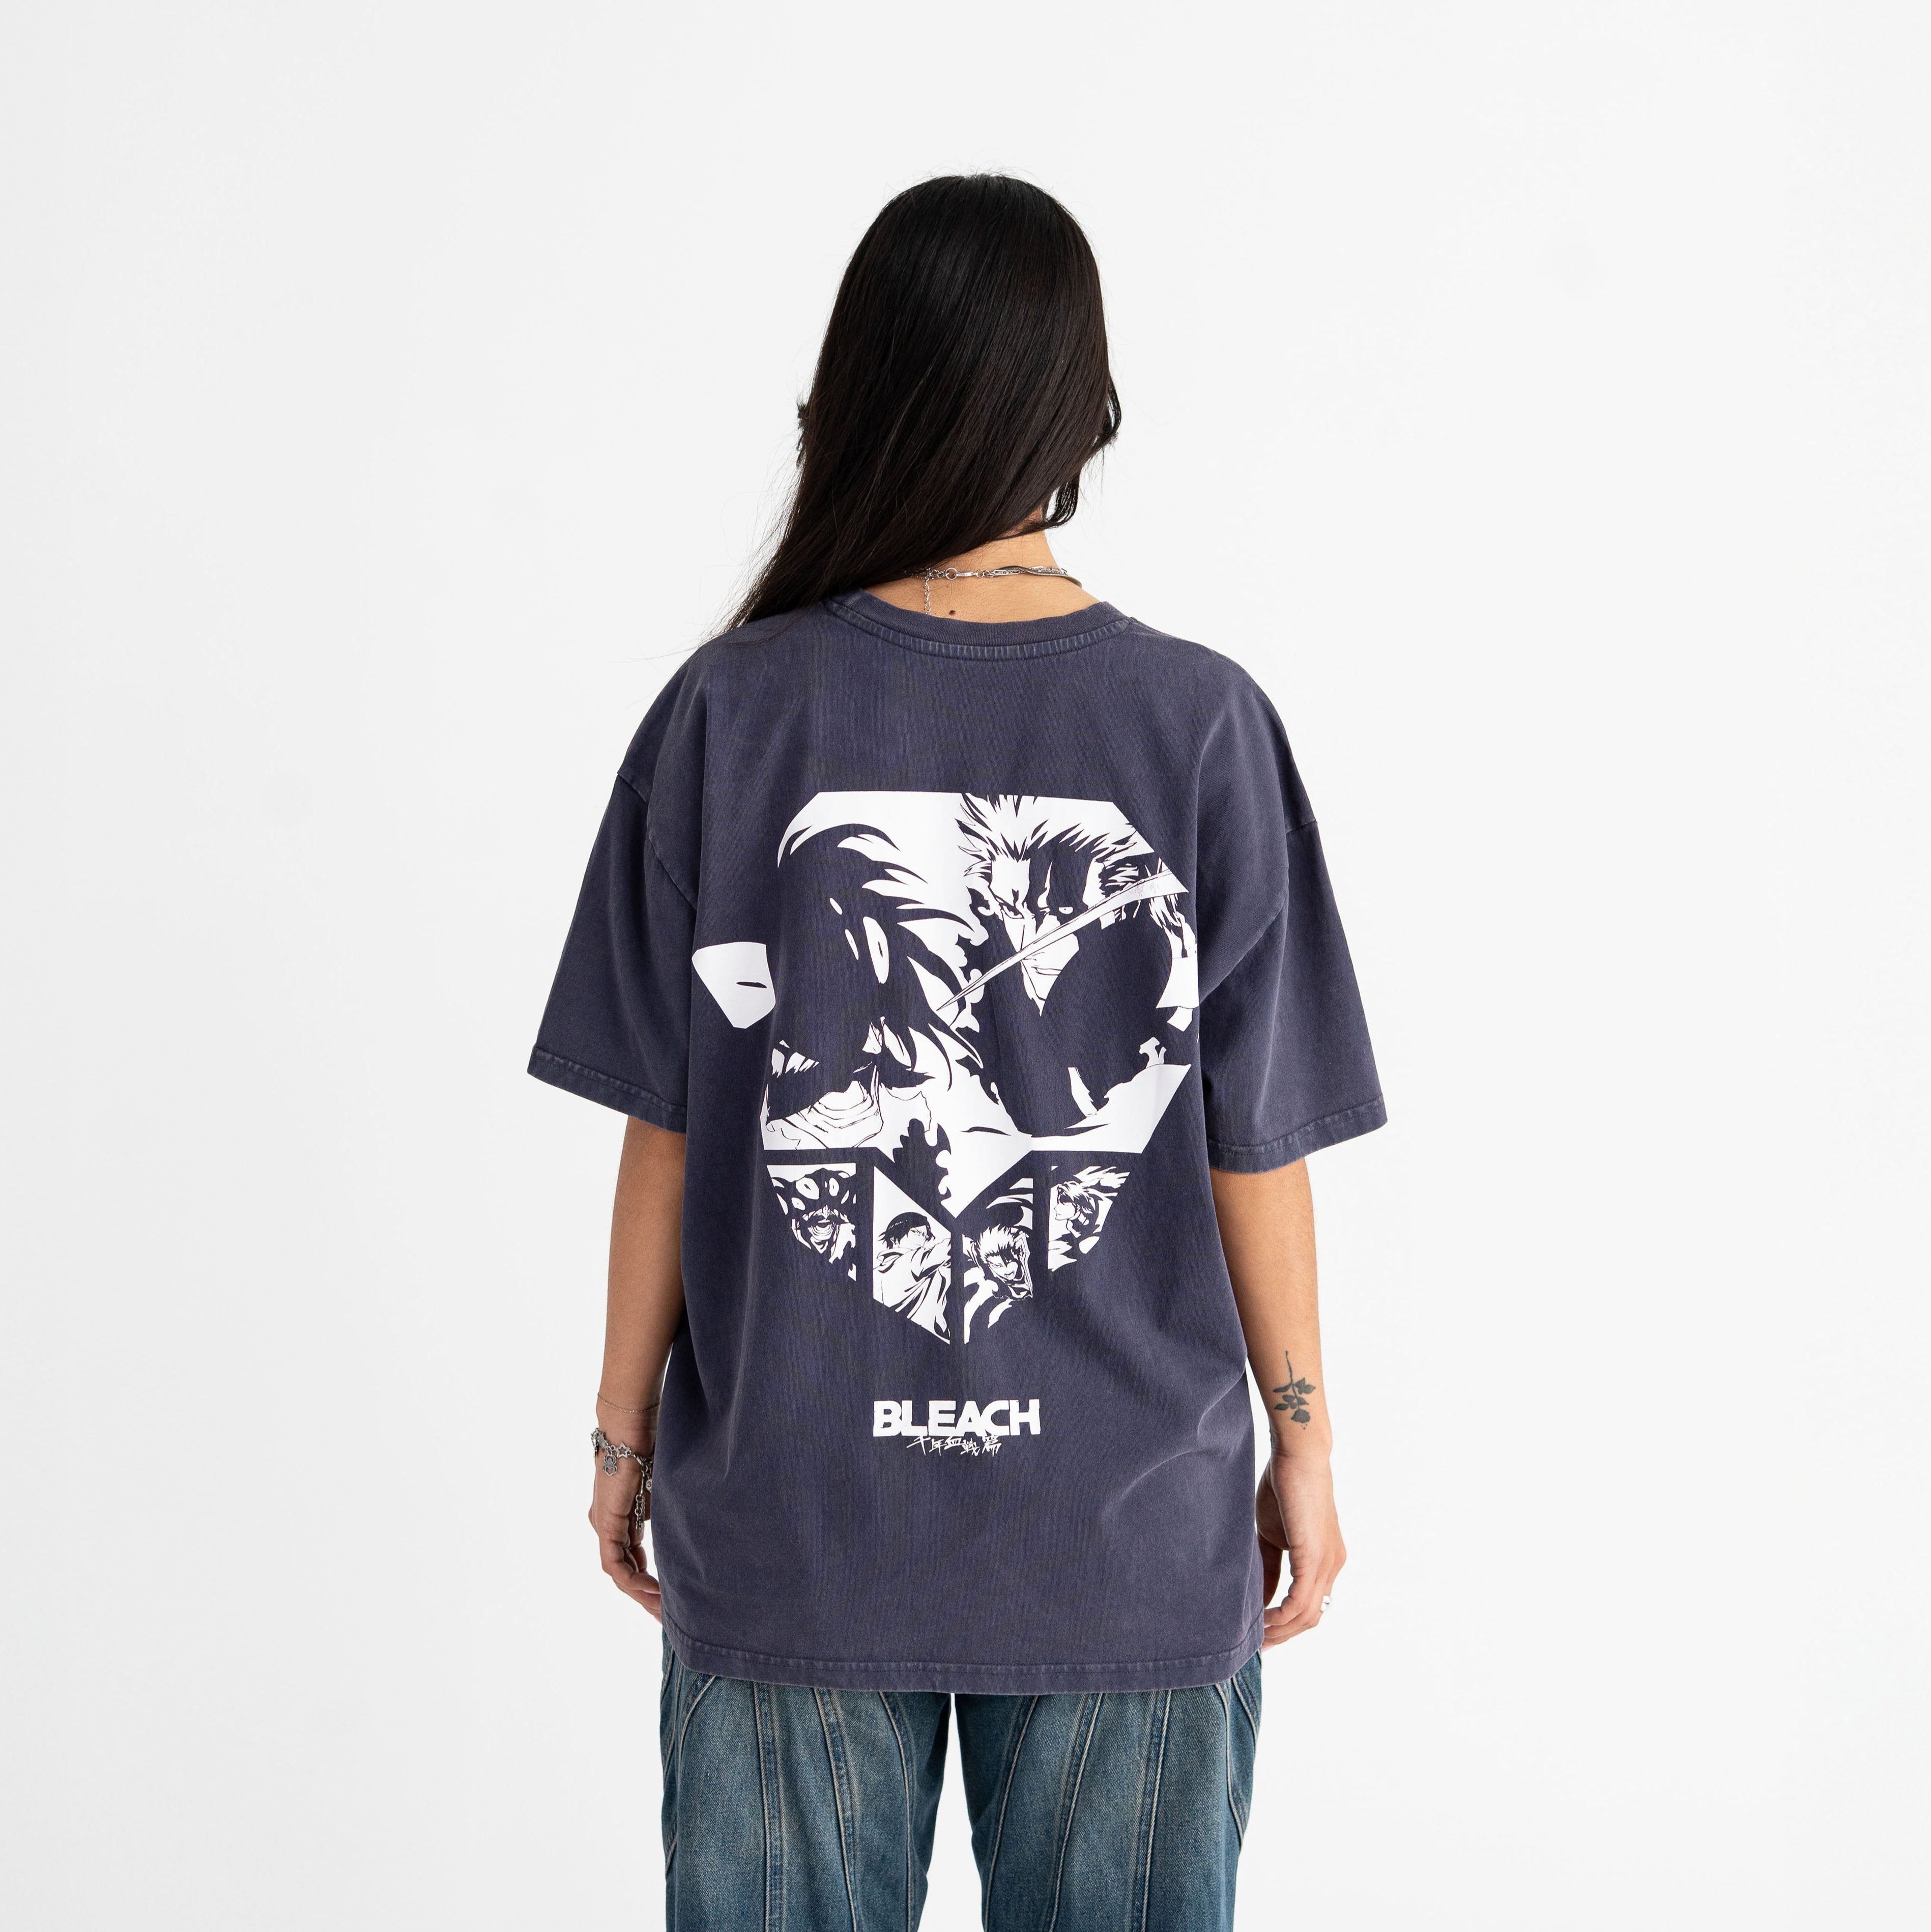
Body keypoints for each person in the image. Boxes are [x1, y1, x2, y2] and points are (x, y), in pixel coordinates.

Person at [529, 173, 1385, 1932]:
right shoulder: (1199, 722)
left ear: (850, 395)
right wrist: (1303, 1435)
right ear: (1088, 412)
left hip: (792, 1517)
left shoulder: (729, 710)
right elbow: (1250, 1141)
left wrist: (621, 1436)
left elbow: (671, 1126)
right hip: (1122, 1530)